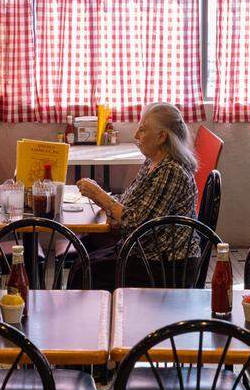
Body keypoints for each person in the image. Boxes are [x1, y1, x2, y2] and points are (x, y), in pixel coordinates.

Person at [75, 102, 199, 289]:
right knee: (84, 251)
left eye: (142, 130)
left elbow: (138, 223)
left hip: (167, 263)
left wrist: (102, 197)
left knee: (84, 270)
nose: (136, 135)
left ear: (161, 136)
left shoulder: (171, 170)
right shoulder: (152, 163)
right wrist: (98, 197)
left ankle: (99, 317)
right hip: (144, 250)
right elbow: (128, 204)